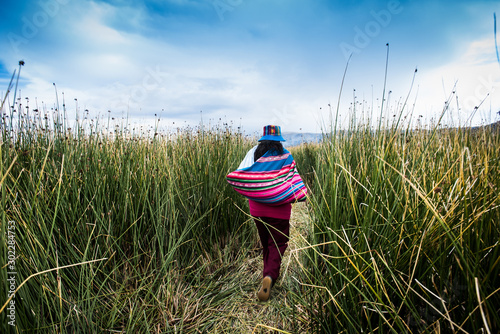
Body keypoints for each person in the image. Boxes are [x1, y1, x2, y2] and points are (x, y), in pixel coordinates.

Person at [235, 125, 302, 302]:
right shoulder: (286, 155)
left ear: (263, 139)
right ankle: (270, 276)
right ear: (279, 140)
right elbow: (293, 179)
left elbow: (242, 174)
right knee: (278, 243)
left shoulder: (253, 153)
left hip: (257, 209)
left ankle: (267, 274)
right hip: (280, 209)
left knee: (266, 242)